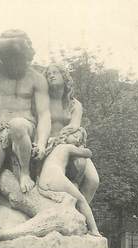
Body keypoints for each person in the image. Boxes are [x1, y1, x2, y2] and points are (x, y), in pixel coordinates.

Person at [0, 29, 51, 232]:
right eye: (12, 57)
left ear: (27, 56)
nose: (17, 64)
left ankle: (24, 173)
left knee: (17, 124)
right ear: (4, 55)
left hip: (24, 127)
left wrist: (41, 143)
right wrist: (11, 42)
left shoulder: (37, 79)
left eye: (21, 58)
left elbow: (44, 115)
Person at [43, 63, 99, 203]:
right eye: (48, 74)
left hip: (69, 143)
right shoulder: (43, 102)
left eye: (55, 72)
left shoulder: (75, 105)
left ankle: (79, 214)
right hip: (48, 145)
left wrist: (65, 137)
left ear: (64, 77)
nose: (51, 75)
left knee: (93, 180)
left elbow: (74, 126)